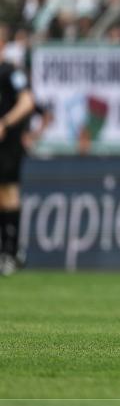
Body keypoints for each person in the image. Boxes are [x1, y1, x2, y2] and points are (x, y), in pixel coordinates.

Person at [0, 32, 36, 276]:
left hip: (8, 143)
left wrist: (5, 122)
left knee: (9, 191)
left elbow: (27, 102)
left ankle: (11, 253)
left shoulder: (11, 72)